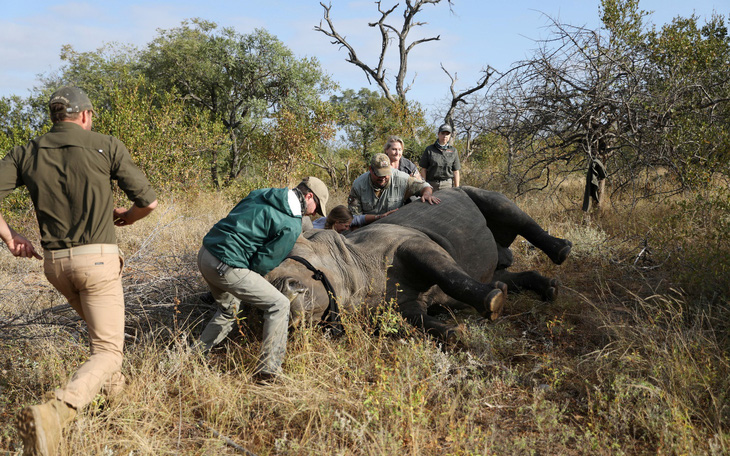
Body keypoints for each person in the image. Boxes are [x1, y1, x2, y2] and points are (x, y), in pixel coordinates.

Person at [0, 86, 158, 456]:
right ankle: (56, 413)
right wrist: (127, 218)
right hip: (98, 262)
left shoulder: (27, 151)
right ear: (85, 116)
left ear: (55, 116)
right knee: (108, 350)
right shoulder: (106, 145)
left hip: (55, 265)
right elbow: (149, 202)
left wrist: (10, 237)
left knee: (102, 340)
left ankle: (119, 411)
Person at [196, 176, 329, 380]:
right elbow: (264, 263)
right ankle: (269, 371)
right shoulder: (292, 225)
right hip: (226, 265)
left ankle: (194, 356)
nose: (314, 214)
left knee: (229, 309)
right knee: (279, 304)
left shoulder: (263, 192)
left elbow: (234, 217)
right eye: (316, 208)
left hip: (206, 253)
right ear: (309, 196)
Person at [348, 153, 440, 227]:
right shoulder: (358, 185)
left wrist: (427, 193)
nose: (383, 178)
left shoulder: (401, 178)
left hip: (395, 227)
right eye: (379, 174)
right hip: (368, 228)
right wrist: (378, 217)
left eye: (386, 174)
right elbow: (354, 219)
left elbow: (424, 186)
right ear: (370, 170)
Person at [419, 123, 461, 190]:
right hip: (431, 184)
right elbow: (423, 169)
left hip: (447, 185)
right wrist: (424, 186)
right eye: (443, 133)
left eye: (447, 134)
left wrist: (457, 189)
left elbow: (456, 171)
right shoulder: (429, 149)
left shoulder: (453, 151)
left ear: (450, 135)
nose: (445, 136)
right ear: (438, 134)